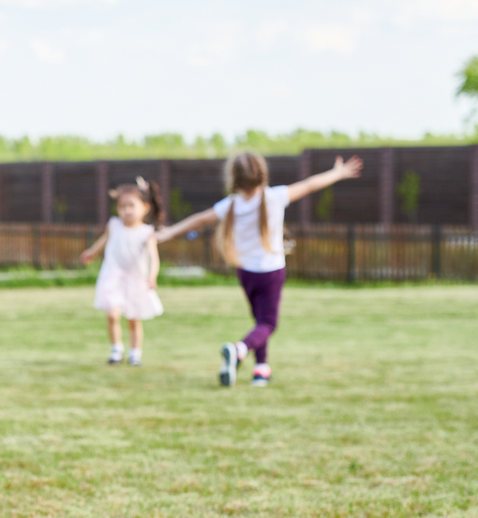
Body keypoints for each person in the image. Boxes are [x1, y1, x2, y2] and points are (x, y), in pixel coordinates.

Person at [155, 151, 362, 387]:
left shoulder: (231, 205)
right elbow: (309, 185)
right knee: (268, 323)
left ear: (233, 178)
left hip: (246, 272)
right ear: (263, 174)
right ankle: (239, 350)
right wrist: (337, 173)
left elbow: (200, 220)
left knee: (260, 321)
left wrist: (170, 232)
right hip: (271, 272)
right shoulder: (274, 197)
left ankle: (261, 369)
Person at [79, 178, 163, 366]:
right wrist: (92, 252)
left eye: (131, 205)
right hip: (113, 277)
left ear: (145, 207)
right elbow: (103, 240)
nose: (127, 210)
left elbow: (153, 258)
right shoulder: (114, 225)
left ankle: (135, 353)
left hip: (135, 280)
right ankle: (116, 350)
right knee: (112, 314)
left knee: (133, 319)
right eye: (122, 206)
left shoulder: (146, 232)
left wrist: (152, 276)